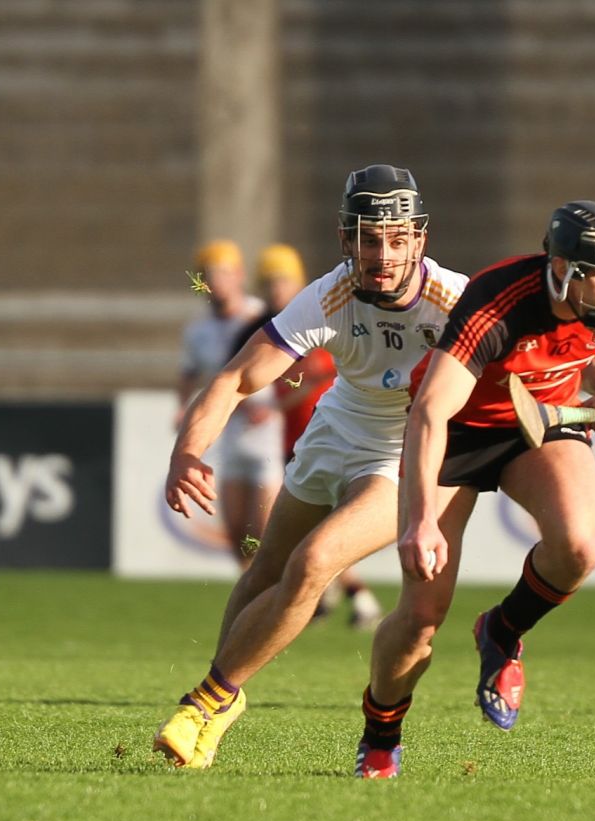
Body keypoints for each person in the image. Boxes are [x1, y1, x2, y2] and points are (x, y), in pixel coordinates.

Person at [353, 200, 595, 778]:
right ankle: (382, 734)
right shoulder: (497, 308)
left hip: (541, 421)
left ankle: (502, 630)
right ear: (563, 270)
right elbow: (430, 415)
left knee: (580, 547)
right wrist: (416, 522)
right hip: (460, 431)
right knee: (421, 616)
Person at [152, 165, 470, 769]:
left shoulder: (454, 298)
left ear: (420, 240)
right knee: (264, 571)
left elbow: (531, 350)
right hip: (336, 427)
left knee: (316, 562)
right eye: (370, 238)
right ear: (346, 238)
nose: (383, 254)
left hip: (405, 449)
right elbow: (237, 378)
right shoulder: (330, 294)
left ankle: (204, 702)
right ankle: (220, 710)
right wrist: (185, 452)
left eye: (398, 238)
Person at [232, 243, 382, 629]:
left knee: (323, 534)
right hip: (294, 443)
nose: (274, 289)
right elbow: (234, 371)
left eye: (281, 280)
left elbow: (330, 374)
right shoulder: (264, 327)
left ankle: (351, 595)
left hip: (337, 435)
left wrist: (277, 406)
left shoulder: (323, 312)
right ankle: (336, 596)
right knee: (306, 535)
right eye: (267, 282)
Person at [178, 239, 283, 571]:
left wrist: (278, 405)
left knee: (265, 530)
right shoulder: (198, 332)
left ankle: (295, 591)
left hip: (268, 432)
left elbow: (296, 367)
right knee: (238, 531)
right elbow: (189, 375)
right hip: (230, 432)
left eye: (223, 273)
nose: (216, 281)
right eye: (208, 275)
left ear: (239, 276)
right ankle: (253, 600)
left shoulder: (261, 317)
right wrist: (182, 409)